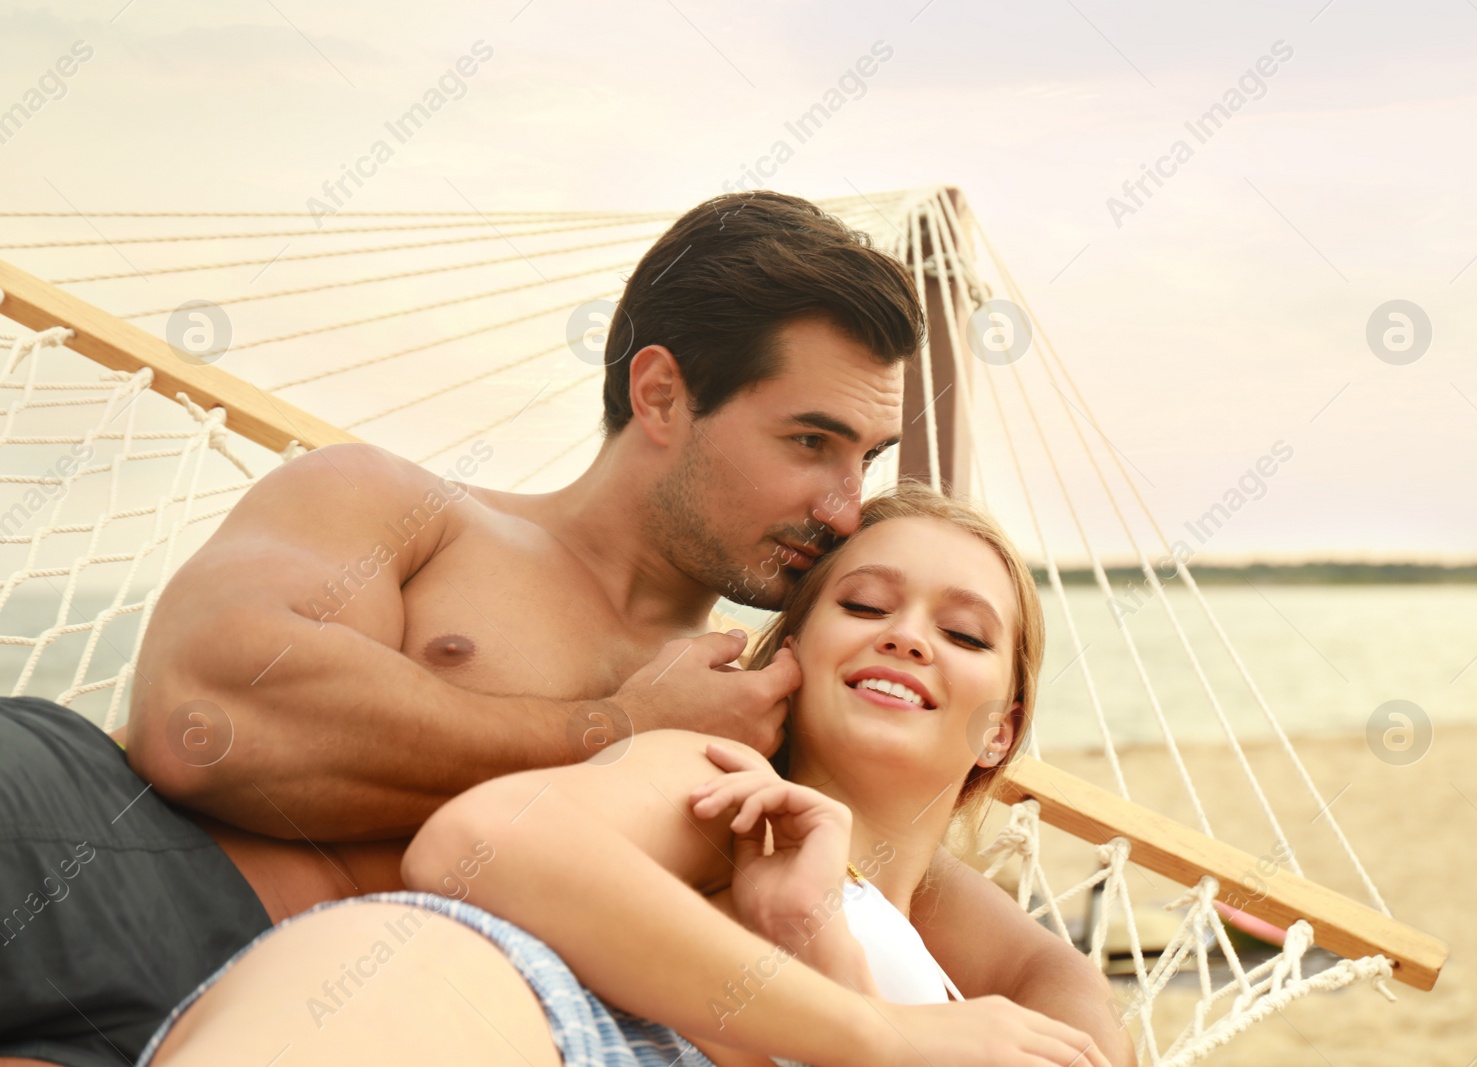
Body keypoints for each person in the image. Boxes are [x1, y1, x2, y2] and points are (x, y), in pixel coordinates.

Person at [0, 192, 1121, 1066]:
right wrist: (613, 724)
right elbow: (204, 714)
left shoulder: (757, 705)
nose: (842, 507)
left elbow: (973, 927)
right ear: (662, 393)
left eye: (862, 462)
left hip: (289, 1008)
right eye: (810, 442)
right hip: (94, 858)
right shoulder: (404, 510)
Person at [135, 483, 1133, 1066]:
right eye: (865, 605)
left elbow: (1065, 988)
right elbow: (478, 843)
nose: (908, 637)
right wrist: (875, 1027)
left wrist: (814, 936)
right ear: (791, 652)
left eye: (961, 631)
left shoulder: (950, 945)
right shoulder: (732, 787)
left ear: (1001, 729)